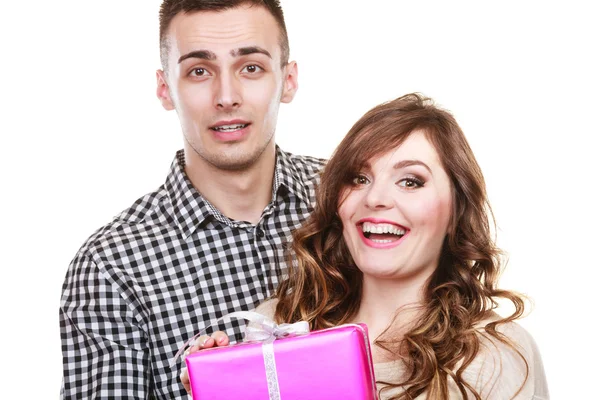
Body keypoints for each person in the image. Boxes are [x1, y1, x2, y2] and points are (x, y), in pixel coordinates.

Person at [181, 93, 549, 399]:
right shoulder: (277, 325)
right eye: (359, 178)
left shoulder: (494, 356)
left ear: (455, 210)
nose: (375, 198)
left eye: (410, 181)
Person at [59, 0, 325, 398]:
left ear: (288, 80)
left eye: (250, 67)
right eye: (199, 71)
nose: (227, 96)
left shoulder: (350, 199)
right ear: (165, 89)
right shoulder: (110, 268)